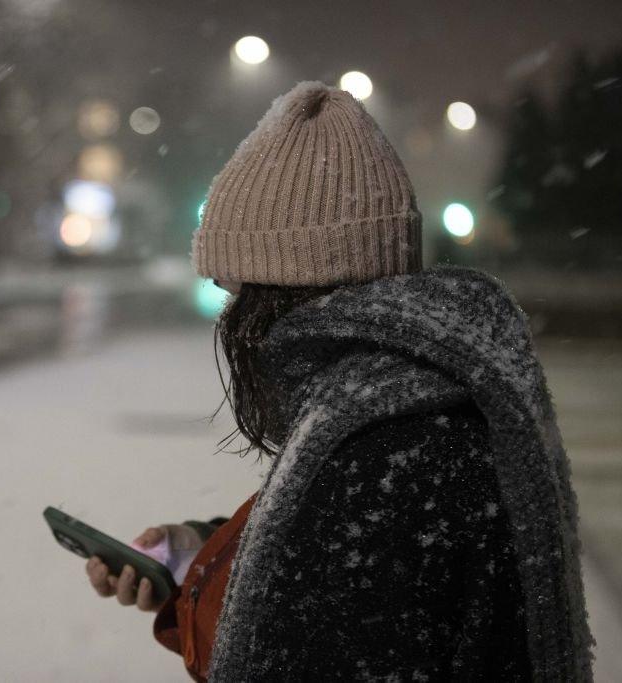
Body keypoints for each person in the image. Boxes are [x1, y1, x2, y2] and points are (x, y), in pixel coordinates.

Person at [84, 81, 595, 681]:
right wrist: (200, 560)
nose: (230, 322)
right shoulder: (410, 406)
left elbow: (306, 644)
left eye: (234, 291)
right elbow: (333, 614)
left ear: (278, 290)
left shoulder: (383, 454)